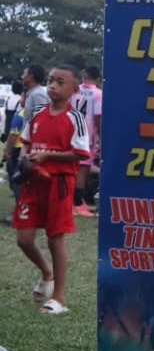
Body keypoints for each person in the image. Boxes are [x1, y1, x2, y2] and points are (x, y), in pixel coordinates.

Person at [12, 64, 90, 315]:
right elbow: (26, 144)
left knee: (55, 238)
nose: (53, 86)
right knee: (24, 239)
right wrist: (25, 163)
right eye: (50, 80)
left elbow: (80, 154)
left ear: (74, 89)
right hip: (33, 183)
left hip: (58, 183)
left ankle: (58, 297)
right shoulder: (37, 113)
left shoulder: (75, 117)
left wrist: (47, 156)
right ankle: (47, 273)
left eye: (60, 82)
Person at [71, 65, 102, 217]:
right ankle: (77, 204)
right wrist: (100, 135)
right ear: (98, 78)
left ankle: (72, 202)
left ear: (84, 75)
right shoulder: (98, 93)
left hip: (70, 132)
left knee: (70, 168)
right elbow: (97, 116)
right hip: (86, 135)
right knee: (82, 170)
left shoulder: (74, 90)